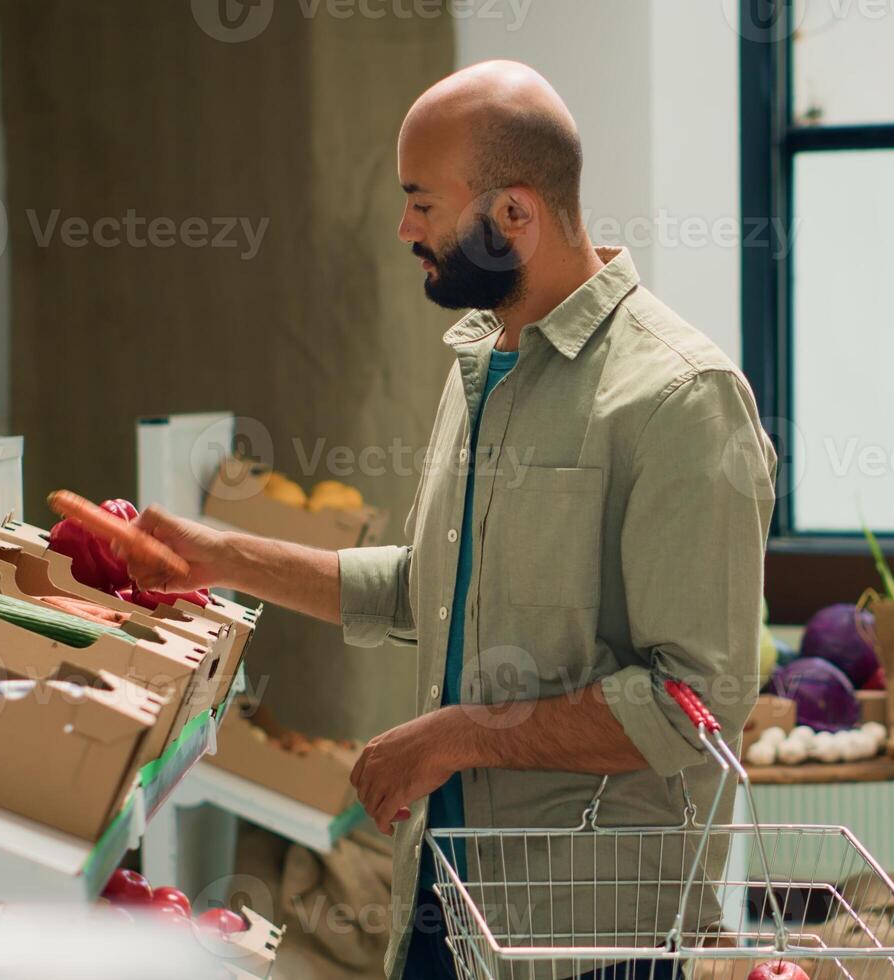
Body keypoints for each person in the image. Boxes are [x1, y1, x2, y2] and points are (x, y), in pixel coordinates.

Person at [124, 60, 777, 979]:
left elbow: (696, 703)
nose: (404, 229)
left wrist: (459, 734)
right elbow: (433, 589)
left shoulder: (678, 398)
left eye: (422, 203)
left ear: (514, 214)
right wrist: (216, 557)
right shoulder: (481, 360)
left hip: (587, 940)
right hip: (442, 898)